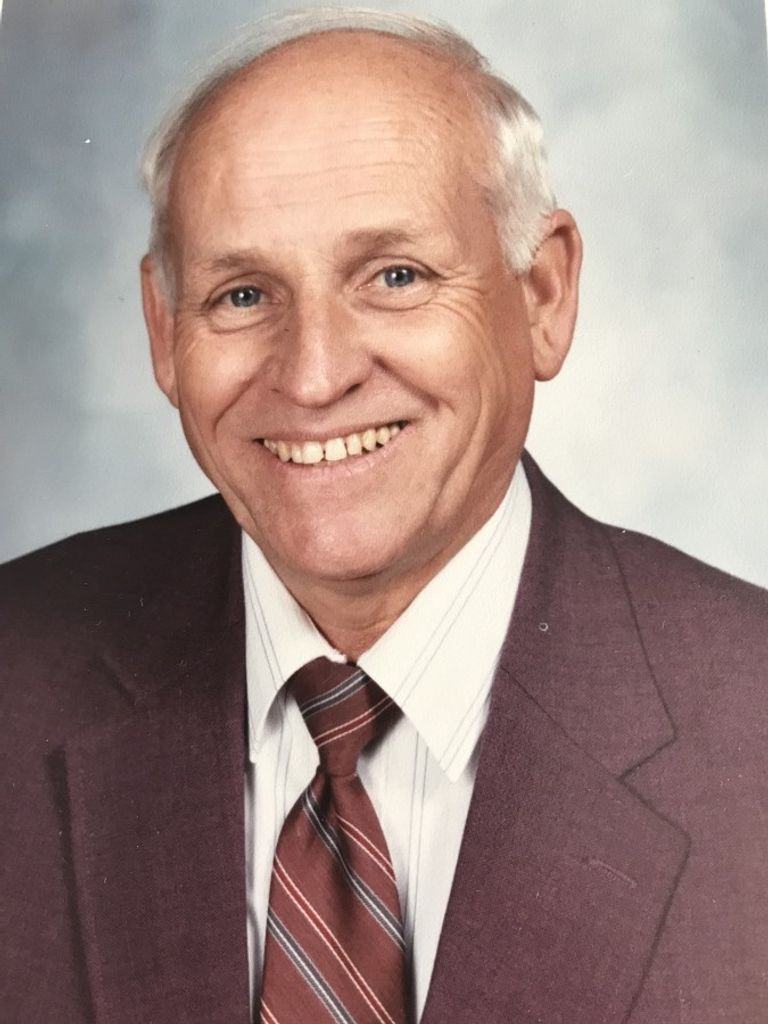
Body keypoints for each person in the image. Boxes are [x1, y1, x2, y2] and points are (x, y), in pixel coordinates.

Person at [2, 9, 767, 1024]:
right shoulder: (17, 670)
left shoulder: (749, 722)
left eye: (395, 277)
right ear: (163, 329)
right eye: (242, 295)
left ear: (544, 294)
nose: (314, 376)